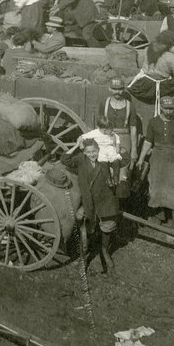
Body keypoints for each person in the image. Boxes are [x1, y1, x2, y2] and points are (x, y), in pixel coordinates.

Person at [64, 138, 118, 273]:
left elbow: (120, 160)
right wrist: (77, 145)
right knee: (87, 229)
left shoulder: (104, 160)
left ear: (98, 150)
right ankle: (83, 256)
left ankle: (105, 250)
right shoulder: (81, 160)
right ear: (84, 152)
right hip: (89, 200)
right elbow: (65, 160)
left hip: (105, 198)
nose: (92, 154)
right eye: (89, 152)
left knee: (108, 225)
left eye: (94, 151)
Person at [136, 97, 174, 229]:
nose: (169, 111)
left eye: (171, 109)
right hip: (158, 157)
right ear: (161, 108)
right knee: (156, 187)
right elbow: (148, 142)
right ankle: (157, 218)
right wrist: (141, 158)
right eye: (166, 108)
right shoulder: (153, 122)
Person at [103, 79, 140, 177]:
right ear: (110, 89)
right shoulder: (104, 103)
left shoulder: (130, 106)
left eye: (119, 89)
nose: (117, 92)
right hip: (107, 139)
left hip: (124, 140)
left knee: (122, 171)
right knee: (106, 170)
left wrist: (134, 150)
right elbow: (100, 126)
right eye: (114, 89)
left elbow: (133, 129)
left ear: (123, 90)